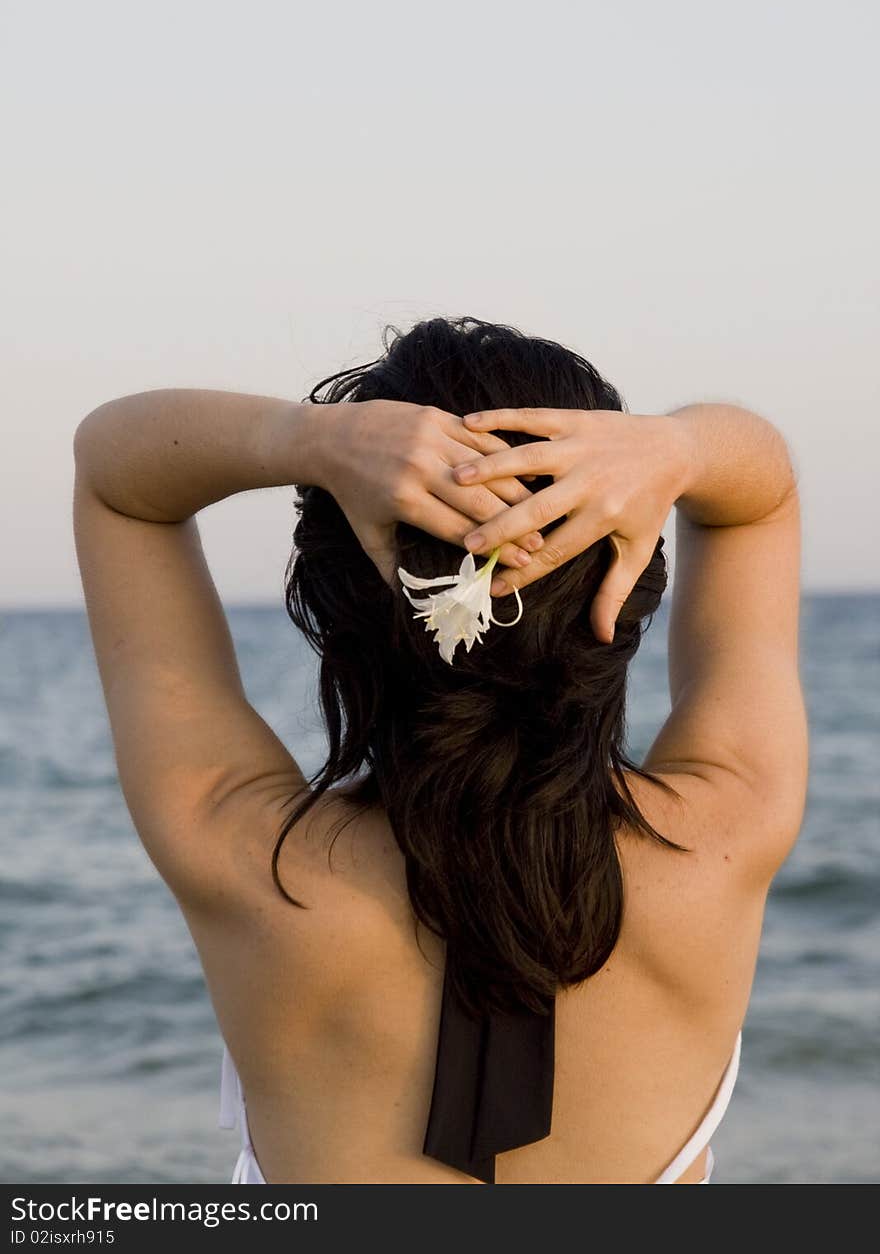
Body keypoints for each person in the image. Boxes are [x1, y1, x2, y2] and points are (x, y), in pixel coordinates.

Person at [72, 316, 807, 1184]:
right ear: (624, 587)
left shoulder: (246, 860)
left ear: (341, 610)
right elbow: (760, 499)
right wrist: (675, 447)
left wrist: (305, 439)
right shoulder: (722, 836)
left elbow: (115, 478)